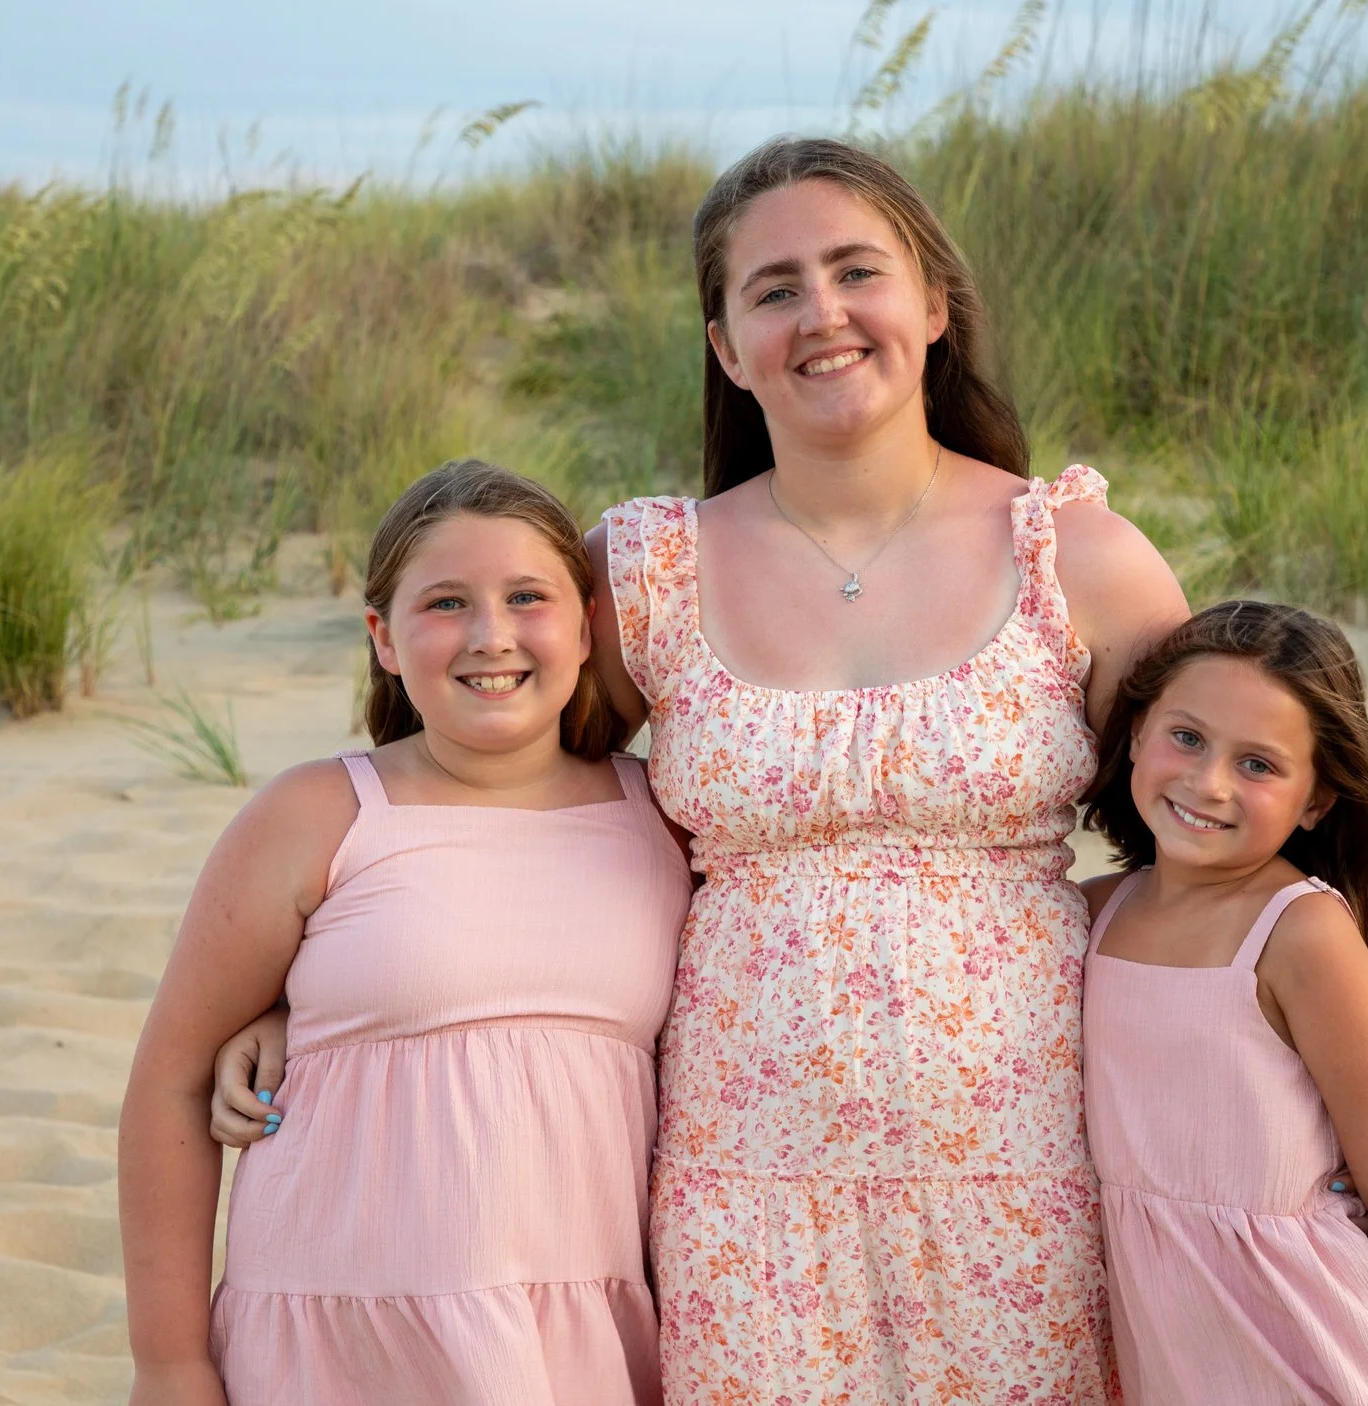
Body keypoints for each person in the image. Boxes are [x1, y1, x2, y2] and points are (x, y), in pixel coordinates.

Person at [212, 136, 1186, 1400]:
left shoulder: (1078, 556)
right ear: (726, 345)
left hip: (1027, 1161)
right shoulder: (650, 572)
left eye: (856, 272)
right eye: (773, 289)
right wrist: (327, 991)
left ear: (935, 305)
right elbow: (511, 807)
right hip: (742, 1191)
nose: (820, 314)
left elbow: (1211, 850)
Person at [118, 459, 692, 1406]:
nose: (490, 636)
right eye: (446, 605)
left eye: (526, 597)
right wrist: (168, 1364)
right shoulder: (321, 815)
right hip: (340, 1336)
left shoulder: (661, 818)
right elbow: (170, 1081)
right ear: (383, 639)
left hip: (572, 1337)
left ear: (586, 626)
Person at [1078, 599, 1368, 1405]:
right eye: (1186, 737)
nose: (1208, 783)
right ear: (1138, 733)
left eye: (1258, 765)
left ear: (1317, 799)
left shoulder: (1301, 937)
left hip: (1305, 1343)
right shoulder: (1091, 913)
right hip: (1168, 1352)